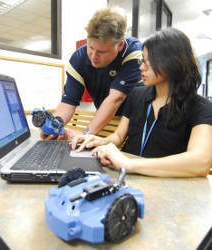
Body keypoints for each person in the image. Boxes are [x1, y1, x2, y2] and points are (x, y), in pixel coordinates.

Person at [71, 27, 212, 178]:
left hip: (165, 183)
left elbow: (201, 162)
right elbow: (119, 137)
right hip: (127, 178)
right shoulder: (136, 94)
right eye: (142, 61)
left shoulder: (201, 108)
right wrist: (100, 141)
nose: (141, 67)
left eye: (148, 62)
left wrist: (129, 164)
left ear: (171, 63)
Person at [41, 6, 143, 140]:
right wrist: (56, 124)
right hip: (105, 121)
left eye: (102, 52)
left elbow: (115, 98)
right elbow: (68, 102)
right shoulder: (78, 59)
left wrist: (85, 134)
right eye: (90, 47)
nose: (93, 56)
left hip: (134, 121)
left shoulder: (133, 52)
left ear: (119, 45)